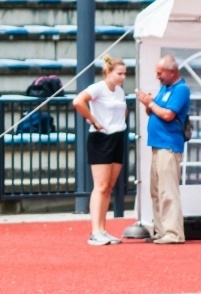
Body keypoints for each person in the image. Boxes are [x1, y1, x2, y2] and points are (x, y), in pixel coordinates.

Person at [72, 55, 128, 246]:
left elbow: (122, 111)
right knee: (101, 186)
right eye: (119, 73)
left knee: (109, 187)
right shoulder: (98, 88)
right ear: (108, 72)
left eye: (125, 74)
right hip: (101, 138)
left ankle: (103, 229)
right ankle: (95, 231)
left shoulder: (119, 91)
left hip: (118, 136)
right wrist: (94, 120)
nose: (123, 77)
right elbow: (78, 101)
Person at [135, 55, 190, 244]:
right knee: (157, 191)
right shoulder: (165, 88)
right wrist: (149, 104)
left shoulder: (181, 89)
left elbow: (167, 114)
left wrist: (150, 103)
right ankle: (161, 231)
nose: (158, 76)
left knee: (168, 191)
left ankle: (174, 233)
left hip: (169, 145)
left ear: (171, 71)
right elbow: (155, 110)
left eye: (160, 73)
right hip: (159, 145)